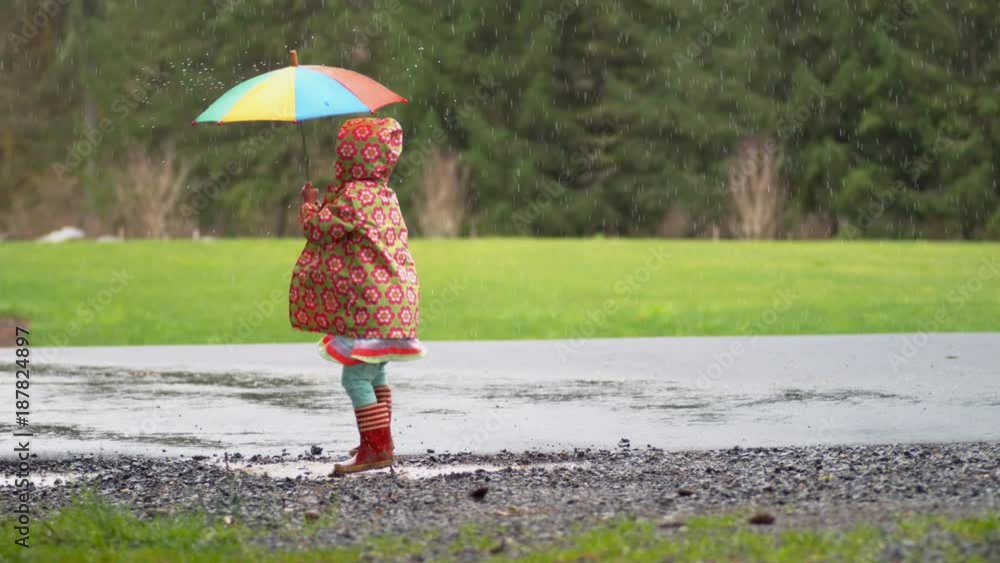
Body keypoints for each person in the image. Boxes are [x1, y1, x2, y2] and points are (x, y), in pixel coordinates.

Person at [289, 116, 425, 475]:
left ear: (350, 158)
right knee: (375, 373)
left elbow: (319, 230)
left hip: (369, 304)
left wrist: (308, 204)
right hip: (395, 300)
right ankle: (380, 440)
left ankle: (376, 449)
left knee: (354, 378)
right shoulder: (385, 195)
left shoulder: (353, 195)